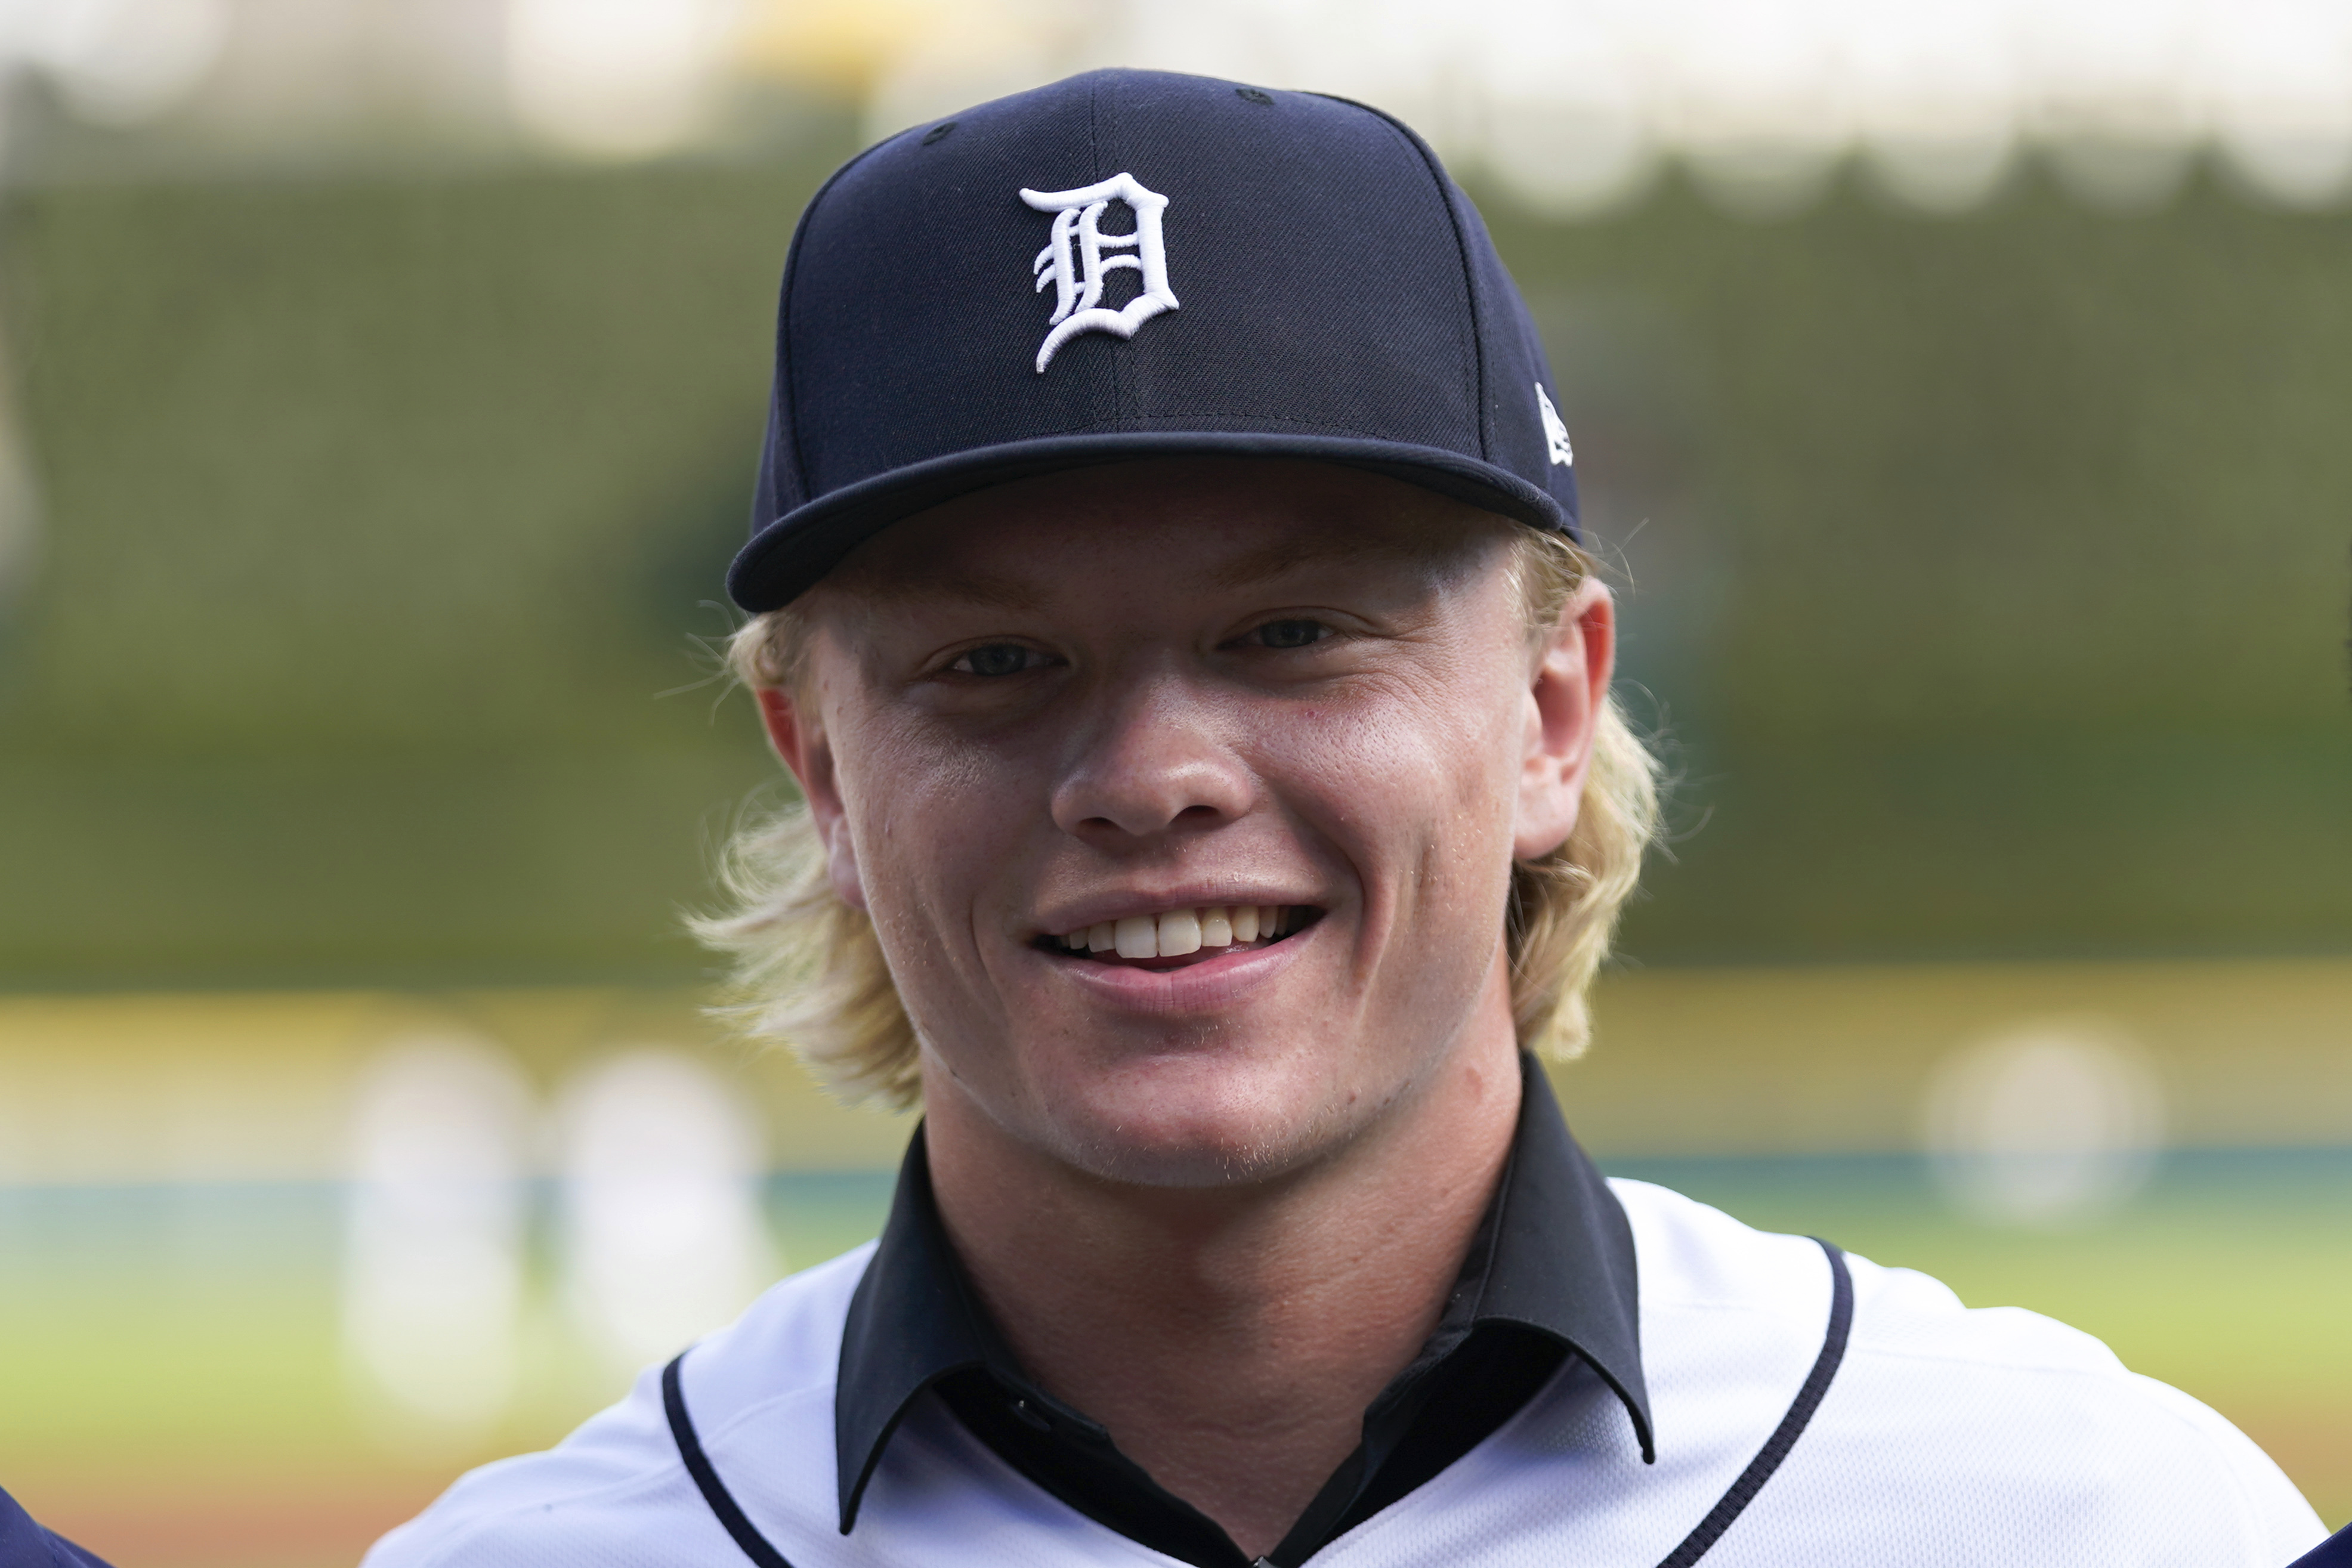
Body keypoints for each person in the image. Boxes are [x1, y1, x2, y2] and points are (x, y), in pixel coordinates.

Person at [367, 69, 2328, 1566]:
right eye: (992, 664)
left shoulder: (2073, 1522)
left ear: (1556, 707)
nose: (1150, 777)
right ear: (823, 779)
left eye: (1294, 632)